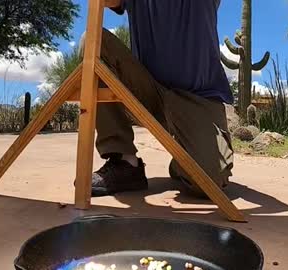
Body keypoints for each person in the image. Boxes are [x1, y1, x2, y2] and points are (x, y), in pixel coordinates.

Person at [81, 0, 234, 198]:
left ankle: (185, 160)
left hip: (200, 99)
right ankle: (124, 161)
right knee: (93, 42)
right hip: (149, 91)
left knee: (208, 183)